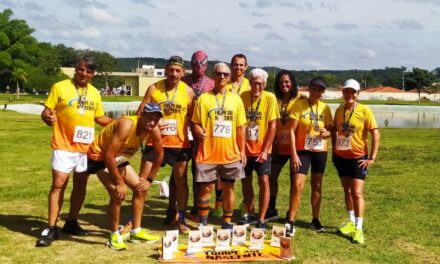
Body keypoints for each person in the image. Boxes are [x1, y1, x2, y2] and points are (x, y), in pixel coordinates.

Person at [37, 57, 113, 247]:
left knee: (81, 185)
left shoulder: (95, 93)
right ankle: (51, 227)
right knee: (58, 184)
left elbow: (99, 117)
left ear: (92, 75)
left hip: (85, 149)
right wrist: (47, 117)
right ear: (76, 70)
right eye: (81, 70)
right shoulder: (60, 87)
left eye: (88, 72)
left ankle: (71, 221)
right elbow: (46, 111)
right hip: (64, 145)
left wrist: (119, 123)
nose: (84, 74)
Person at [87, 103, 163, 250]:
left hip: (118, 158)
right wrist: (119, 182)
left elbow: (160, 155)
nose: (152, 122)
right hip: (99, 157)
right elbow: (109, 156)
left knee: (141, 189)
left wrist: (149, 179)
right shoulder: (127, 124)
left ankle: (136, 231)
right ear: (141, 115)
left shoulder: (153, 129)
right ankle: (114, 236)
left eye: (156, 119)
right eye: (149, 118)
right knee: (118, 192)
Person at [136, 55, 195, 233]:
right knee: (142, 180)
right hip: (155, 142)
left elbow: (193, 119)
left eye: (178, 71)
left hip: (179, 144)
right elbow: (140, 113)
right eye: (171, 70)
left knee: (181, 181)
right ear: (166, 70)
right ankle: (135, 221)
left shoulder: (188, 91)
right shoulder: (154, 88)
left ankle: (181, 219)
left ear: (183, 73)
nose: (174, 74)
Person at [191, 62, 247, 229]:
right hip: (208, 153)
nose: (222, 76)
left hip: (230, 154)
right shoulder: (204, 98)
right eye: (218, 73)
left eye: (225, 74)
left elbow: (241, 128)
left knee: (229, 188)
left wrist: (242, 151)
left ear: (229, 78)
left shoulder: (236, 100)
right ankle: (203, 222)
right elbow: (194, 123)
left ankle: (227, 222)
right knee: (206, 188)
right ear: (213, 76)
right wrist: (198, 130)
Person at [333, 79, 380, 244]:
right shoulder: (339, 110)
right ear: (343, 93)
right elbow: (335, 130)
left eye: (352, 92)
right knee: (347, 191)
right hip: (340, 158)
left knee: (357, 192)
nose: (349, 95)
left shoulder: (364, 110)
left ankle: (359, 229)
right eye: (346, 91)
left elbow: (375, 133)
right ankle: (351, 222)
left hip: (358, 158)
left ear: (357, 93)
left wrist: (372, 158)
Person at [286, 77, 333, 237]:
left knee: (317, 186)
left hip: (319, 151)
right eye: (314, 88)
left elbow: (330, 130)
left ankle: (315, 219)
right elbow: (291, 130)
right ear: (309, 89)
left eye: (320, 90)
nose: (316, 92)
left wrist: (326, 133)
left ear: (322, 92)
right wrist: (293, 154)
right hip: (302, 151)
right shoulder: (299, 105)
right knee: (298, 185)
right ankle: (290, 221)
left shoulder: (325, 108)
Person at [238, 68, 279, 229]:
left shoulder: (270, 98)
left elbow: (273, 126)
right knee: (246, 182)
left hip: (262, 150)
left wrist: (265, 150)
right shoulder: (242, 97)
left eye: (260, 84)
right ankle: (250, 213)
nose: (257, 87)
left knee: (264, 181)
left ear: (265, 84)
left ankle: (262, 218)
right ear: (249, 82)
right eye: (254, 83)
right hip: (245, 149)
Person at [267, 70, 301, 221]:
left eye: (287, 82)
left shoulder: (300, 99)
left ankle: (291, 213)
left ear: (292, 83)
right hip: (279, 146)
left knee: (295, 182)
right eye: (281, 82)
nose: (284, 85)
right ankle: (272, 208)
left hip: (295, 147)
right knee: (271, 176)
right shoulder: (275, 99)